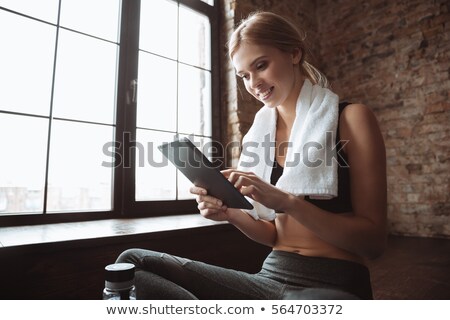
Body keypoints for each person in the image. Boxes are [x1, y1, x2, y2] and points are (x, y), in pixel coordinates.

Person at [116, 11, 387, 300]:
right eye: (244, 75)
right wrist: (230, 214)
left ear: (294, 53)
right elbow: (272, 235)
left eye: (261, 65)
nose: (254, 83)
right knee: (131, 264)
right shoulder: (260, 135)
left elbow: (373, 244)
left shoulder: (351, 119)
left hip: (333, 283)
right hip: (271, 277)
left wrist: (288, 202)